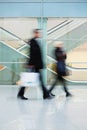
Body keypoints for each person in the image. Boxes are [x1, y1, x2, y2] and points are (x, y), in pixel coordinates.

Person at [17, 29, 53, 100]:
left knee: (32, 80)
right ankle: (45, 95)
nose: (40, 34)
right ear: (35, 33)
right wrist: (31, 64)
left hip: (35, 65)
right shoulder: (33, 42)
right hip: (34, 65)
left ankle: (20, 94)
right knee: (31, 80)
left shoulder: (35, 41)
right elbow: (32, 54)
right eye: (39, 33)